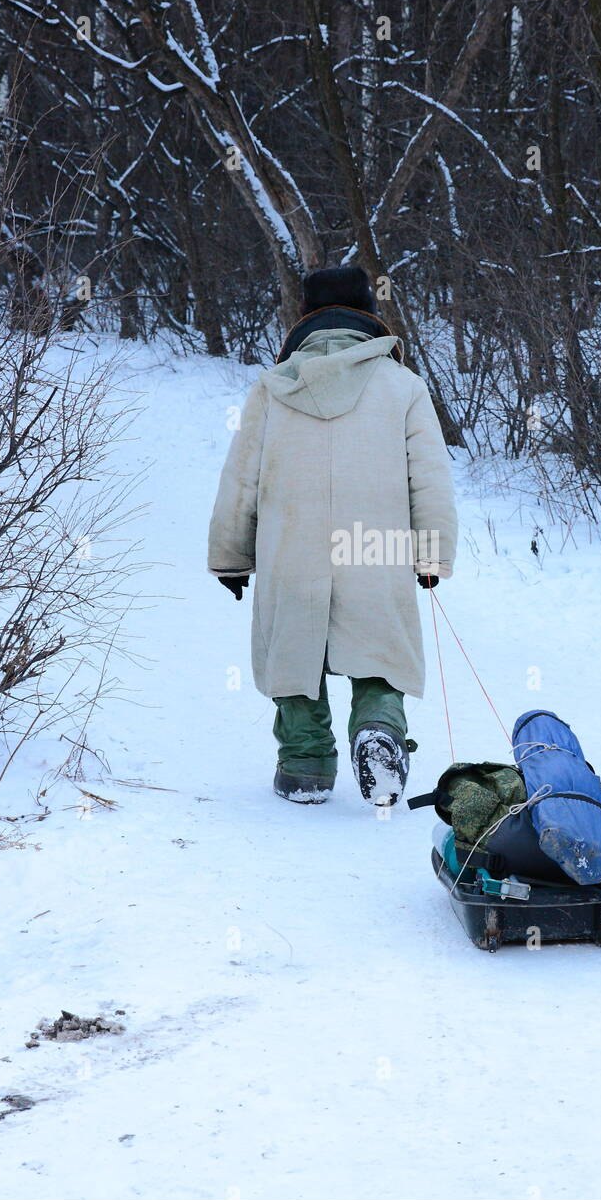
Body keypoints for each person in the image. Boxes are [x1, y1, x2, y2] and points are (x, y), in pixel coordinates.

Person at [208, 266, 458, 806]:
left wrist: (230, 558)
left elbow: (241, 480)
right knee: (380, 653)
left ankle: (305, 765)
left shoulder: (273, 389)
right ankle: (379, 733)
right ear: (369, 312)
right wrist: (431, 555)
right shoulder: (404, 388)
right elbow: (430, 479)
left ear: (306, 317)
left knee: (294, 654)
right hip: (378, 554)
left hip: (290, 553)